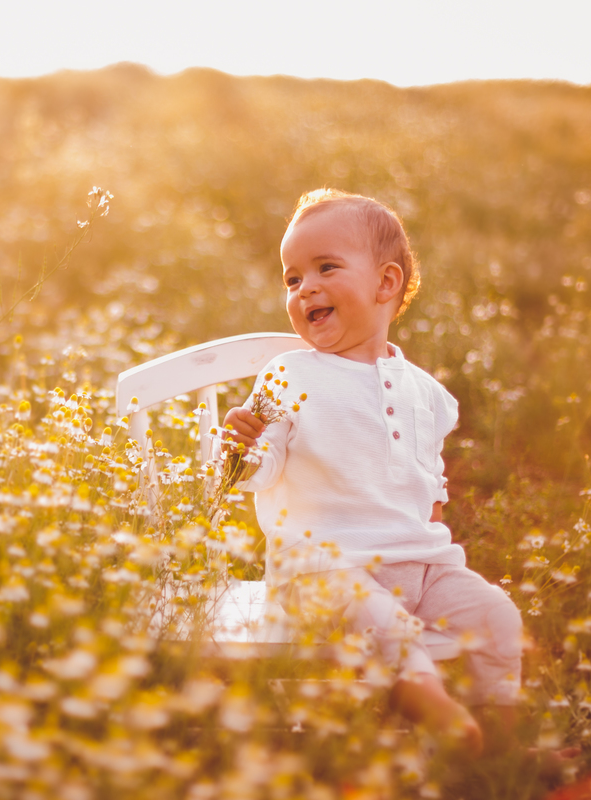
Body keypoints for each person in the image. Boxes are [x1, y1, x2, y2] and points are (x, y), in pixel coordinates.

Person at [222, 189, 552, 759]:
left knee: (497, 614)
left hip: (421, 566)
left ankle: (504, 749)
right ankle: (436, 713)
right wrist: (240, 449)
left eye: (325, 268)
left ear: (386, 284)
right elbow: (261, 467)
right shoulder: (288, 375)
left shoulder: (425, 391)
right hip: (321, 574)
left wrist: (431, 545)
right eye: (292, 279)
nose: (306, 289)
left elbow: (431, 484)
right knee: (381, 621)